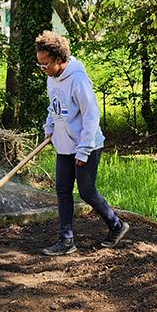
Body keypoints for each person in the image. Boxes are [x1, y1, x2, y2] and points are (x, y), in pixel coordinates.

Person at [36, 30, 129, 256]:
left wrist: (84, 148)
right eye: (40, 64)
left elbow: (91, 115)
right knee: (63, 192)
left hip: (86, 146)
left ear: (59, 60)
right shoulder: (52, 78)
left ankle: (116, 225)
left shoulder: (78, 79)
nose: (43, 69)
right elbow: (54, 108)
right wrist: (50, 129)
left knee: (87, 192)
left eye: (46, 64)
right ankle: (66, 240)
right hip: (63, 146)